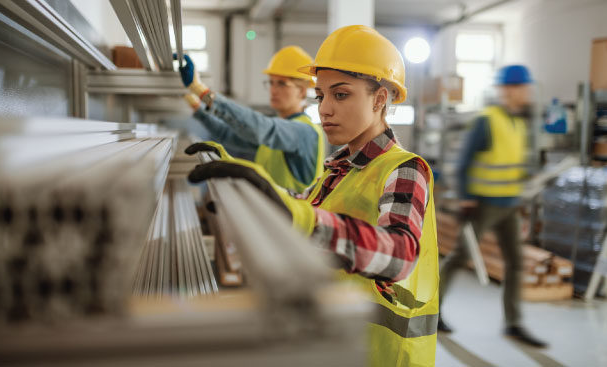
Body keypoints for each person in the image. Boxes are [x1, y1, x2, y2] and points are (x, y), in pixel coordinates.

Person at [187, 25, 439, 367]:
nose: (324, 109)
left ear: (380, 99)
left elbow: (399, 256)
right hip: (336, 343)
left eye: (341, 94)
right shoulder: (338, 169)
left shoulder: (404, 169)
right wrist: (240, 174)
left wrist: (302, 216)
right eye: (321, 96)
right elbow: (297, 204)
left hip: (381, 355)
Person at [437, 64, 548, 348]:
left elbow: (513, 164)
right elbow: (462, 165)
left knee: (515, 262)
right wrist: (465, 198)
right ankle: (432, 312)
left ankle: (513, 323)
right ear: (508, 90)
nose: (529, 93)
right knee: (459, 258)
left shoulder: (519, 122)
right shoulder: (487, 120)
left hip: (509, 206)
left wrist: (529, 180)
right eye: (525, 87)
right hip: (482, 206)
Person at [176, 46, 324, 193]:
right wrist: (197, 108)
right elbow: (226, 134)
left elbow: (262, 129)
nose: (273, 90)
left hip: (291, 215)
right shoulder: (274, 135)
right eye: (271, 82)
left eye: (281, 83)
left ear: (302, 91)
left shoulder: (304, 131)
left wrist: (202, 91)